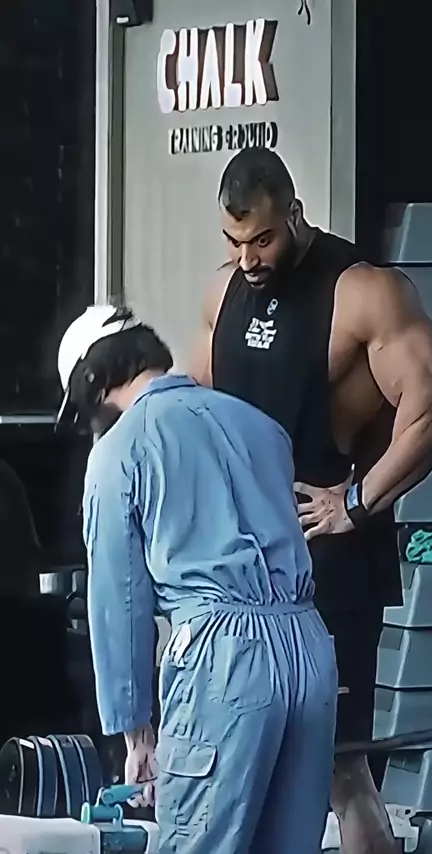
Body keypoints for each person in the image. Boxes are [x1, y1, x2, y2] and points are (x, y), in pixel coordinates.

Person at [189, 147, 432, 854]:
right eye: (234, 241)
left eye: (262, 239)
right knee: (242, 760)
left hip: (331, 571)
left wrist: (358, 502)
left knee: (342, 768)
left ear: (295, 213)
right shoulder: (222, 293)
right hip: (244, 577)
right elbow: (199, 416)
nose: (248, 258)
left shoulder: (364, 291)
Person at [56, 304, 338, 854]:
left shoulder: (120, 450)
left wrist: (136, 732)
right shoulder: (261, 427)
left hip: (222, 659)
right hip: (308, 646)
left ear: (92, 380)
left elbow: (120, 601)